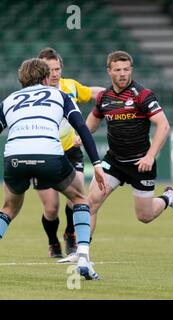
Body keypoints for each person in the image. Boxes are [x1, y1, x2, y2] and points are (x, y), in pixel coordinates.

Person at [58, 50, 173, 263]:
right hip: (114, 161)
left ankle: (168, 198)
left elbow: (163, 125)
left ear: (131, 70)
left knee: (144, 216)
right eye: (118, 70)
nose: (122, 74)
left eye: (126, 69)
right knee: (90, 204)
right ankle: (82, 254)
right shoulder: (104, 97)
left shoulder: (143, 95)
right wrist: (81, 137)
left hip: (140, 164)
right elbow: (92, 119)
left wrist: (150, 156)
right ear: (109, 71)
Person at [0, 58, 106, 280]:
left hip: (15, 158)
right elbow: (82, 129)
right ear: (46, 78)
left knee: (8, 209)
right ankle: (84, 258)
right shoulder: (60, 95)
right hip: (49, 155)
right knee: (79, 199)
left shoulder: (9, 100)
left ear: (22, 79)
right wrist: (96, 164)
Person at [36, 47, 105, 258]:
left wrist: (117, 97)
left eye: (57, 69)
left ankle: (70, 233)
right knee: (51, 208)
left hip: (70, 151)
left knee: (75, 197)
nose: (55, 73)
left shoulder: (70, 87)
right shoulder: (35, 93)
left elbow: (95, 93)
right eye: (50, 69)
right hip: (44, 154)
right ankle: (52, 242)